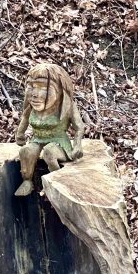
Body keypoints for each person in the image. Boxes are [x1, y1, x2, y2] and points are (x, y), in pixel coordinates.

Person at [14, 62, 85, 197]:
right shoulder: (32, 107)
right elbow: (25, 118)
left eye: (44, 88)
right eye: (31, 86)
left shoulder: (67, 106)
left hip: (59, 142)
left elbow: (79, 127)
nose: (35, 94)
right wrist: (20, 134)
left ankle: (56, 181)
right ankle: (27, 181)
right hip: (37, 139)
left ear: (60, 90)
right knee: (26, 151)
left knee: (49, 152)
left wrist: (77, 145)